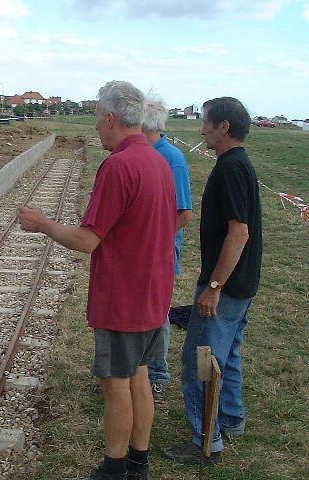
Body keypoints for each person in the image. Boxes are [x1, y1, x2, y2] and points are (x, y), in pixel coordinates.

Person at [18, 80, 176, 480]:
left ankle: (114, 467)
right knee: (139, 374)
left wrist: (42, 224)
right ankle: (138, 462)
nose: (94, 128)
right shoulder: (158, 160)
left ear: (109, 117)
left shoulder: (119, 166)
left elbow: (87, 240)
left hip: (123, 296)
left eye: (95, 119)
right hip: (154, 293)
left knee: (115, 382)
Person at [164, 97, 262, 464]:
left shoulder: (230, 170)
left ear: (224, 127)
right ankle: (232, 419)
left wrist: (214, 286)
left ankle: (206, 442)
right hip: (243, 283)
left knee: (200, 362)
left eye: (206, 122)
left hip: (227, 286)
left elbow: (239, 234)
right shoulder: (237, 164)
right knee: (229, 354)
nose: (201, 128)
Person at [141, 95, 193, 402]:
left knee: (157, 314)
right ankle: (131, 370)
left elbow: (183, 214)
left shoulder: (171, 158)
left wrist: (150, 239)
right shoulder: (142, 154)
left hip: (159, 255)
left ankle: (157, 375)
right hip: (138, 255)